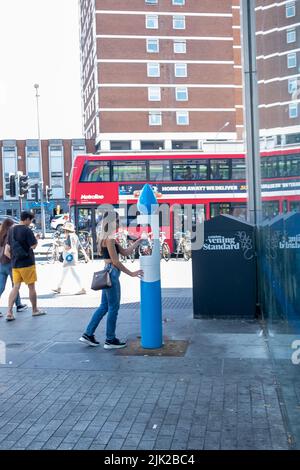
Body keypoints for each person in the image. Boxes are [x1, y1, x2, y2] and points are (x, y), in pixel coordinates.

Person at [79, 211, 143, 349]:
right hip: (112, 273)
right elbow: (116, 261)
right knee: (114, 307)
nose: (119, 223)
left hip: (106, 272)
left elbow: (125, 252)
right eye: (117, 221)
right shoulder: (110, 238)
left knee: (104, 306)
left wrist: (138, 242)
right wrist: (131, 273)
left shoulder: (104, 238)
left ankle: (88, 334)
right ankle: (110, 339)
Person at [5, 211, 46, 321]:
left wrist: (14, 259)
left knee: (15, 287)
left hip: (15, 265)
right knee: (31, 287)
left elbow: (6, 251)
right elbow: (33, 246)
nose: (30, 222)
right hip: (27, 263)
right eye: (31, 220)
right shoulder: (27, 230)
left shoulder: (11, 230)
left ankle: (9, 312)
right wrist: (36, 239)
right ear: (27, 219)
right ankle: (34, 310)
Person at [0, 218, 28, 318]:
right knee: (15, 286)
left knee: (1, 287)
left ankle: (19, 304)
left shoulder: (1, 234)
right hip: (10, 264)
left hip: (1, 264)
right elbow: (9, 251)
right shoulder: (10, 235)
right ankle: (19, 305)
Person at [52, 221, 86, 295]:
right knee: (65, 273)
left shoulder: (70, 236)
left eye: (64, 230)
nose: (64, 231)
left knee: (74, 273)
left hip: (69, 257)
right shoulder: (74, 235)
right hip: (71, 257)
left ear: (66, 230)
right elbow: (78, 246)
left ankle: (82, 288)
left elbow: (68, 247)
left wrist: (60, 243)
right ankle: (59, 287)